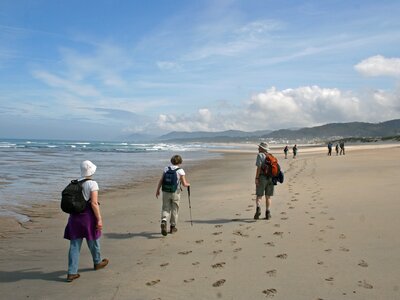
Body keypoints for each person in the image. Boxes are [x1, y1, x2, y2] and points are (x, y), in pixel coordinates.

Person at [64, 160, 109, 282]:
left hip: (74, 217)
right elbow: (94, 203)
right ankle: (97, 262)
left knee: (74, 245)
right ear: (92, 170)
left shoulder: (75, 183)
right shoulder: (92, 184)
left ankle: (71, 272)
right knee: (93, 240)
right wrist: (99, 219)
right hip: (87, 217)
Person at [156, 155, 190, 236]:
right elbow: (185, 184)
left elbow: (161, 180)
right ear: (180, 162)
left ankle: (164, 221)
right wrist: (189, 184)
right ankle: (172, 227)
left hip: (165, 191)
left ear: (171, 161)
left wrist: (157, 190)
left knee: (165, 207)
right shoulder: (180, 171)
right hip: (175, 192)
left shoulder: (166, 169)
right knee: (175, 209)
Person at [254, 142, 275, 220]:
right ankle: (267, 213)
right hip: (271, 178)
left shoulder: (260, 155)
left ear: (262, 148)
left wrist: (256, 178)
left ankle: (258, 209)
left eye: (259, 147)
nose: (258, 148)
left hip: (262, 177)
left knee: (259, 195)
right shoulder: (271, 156)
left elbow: (259, 168)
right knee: (268, 196)